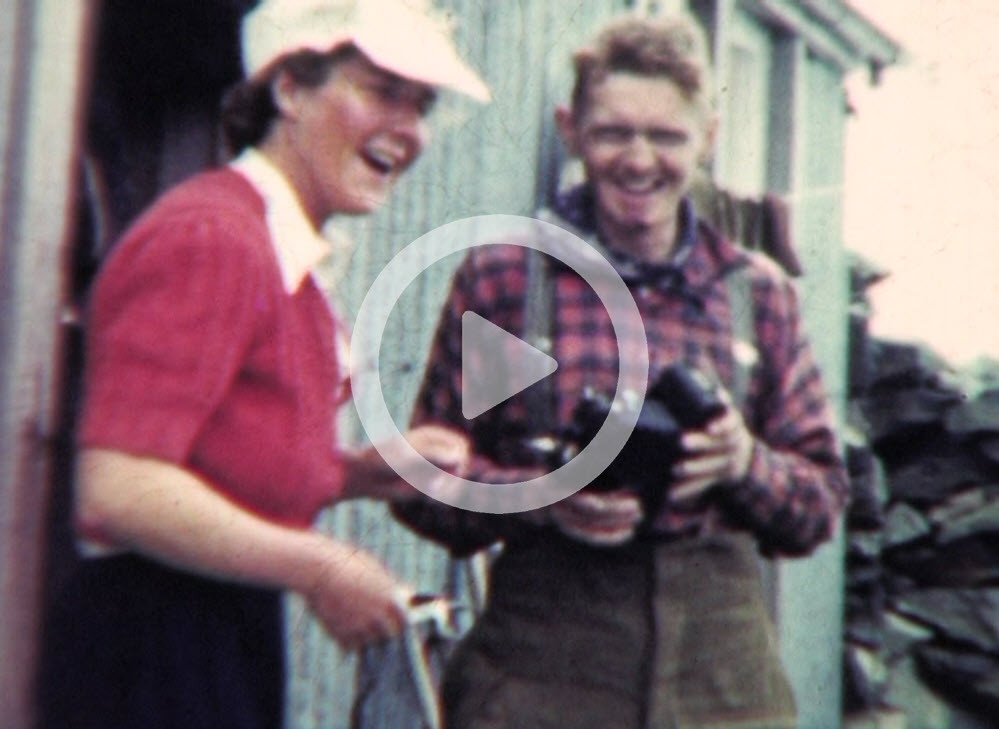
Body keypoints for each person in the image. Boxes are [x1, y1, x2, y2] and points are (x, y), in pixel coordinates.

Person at [35, 1, 489, 727]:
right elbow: (117, 488)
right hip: (153, 643)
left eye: (421, 104)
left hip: (219, 624)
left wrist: (360, 471)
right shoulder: (212, 237)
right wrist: (322, 565)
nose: (407, 128)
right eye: (380, 91)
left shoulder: (285, 259)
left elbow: (223, 462)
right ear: (288, 90)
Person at [394, 13, 849, 729]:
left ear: (707, 137)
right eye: (613, 133)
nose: (639, 160)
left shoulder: (754, 295)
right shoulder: (511, 283)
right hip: (541, 681)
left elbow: (818, 504)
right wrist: (541, 496)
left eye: (666, 135)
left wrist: (742, 461)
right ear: (569, 129)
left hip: (723, 689)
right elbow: (421, 485)